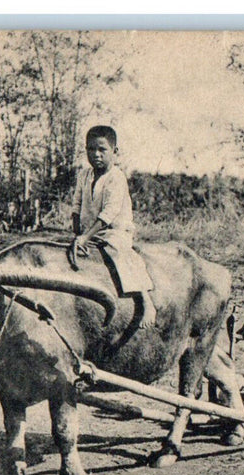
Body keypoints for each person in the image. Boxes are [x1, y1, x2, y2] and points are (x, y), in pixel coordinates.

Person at [67, 125, 157, 328]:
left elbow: (108, 214)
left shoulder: (116, 178)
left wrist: (85, 237)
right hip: (90, 231)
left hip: (114, 231)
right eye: (90, 149)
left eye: (102, 150)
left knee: (120, 252)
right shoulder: (84, 175)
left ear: (115, 152)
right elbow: (76, 204)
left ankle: (145, 301)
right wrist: (77, 234)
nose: (95, 155)